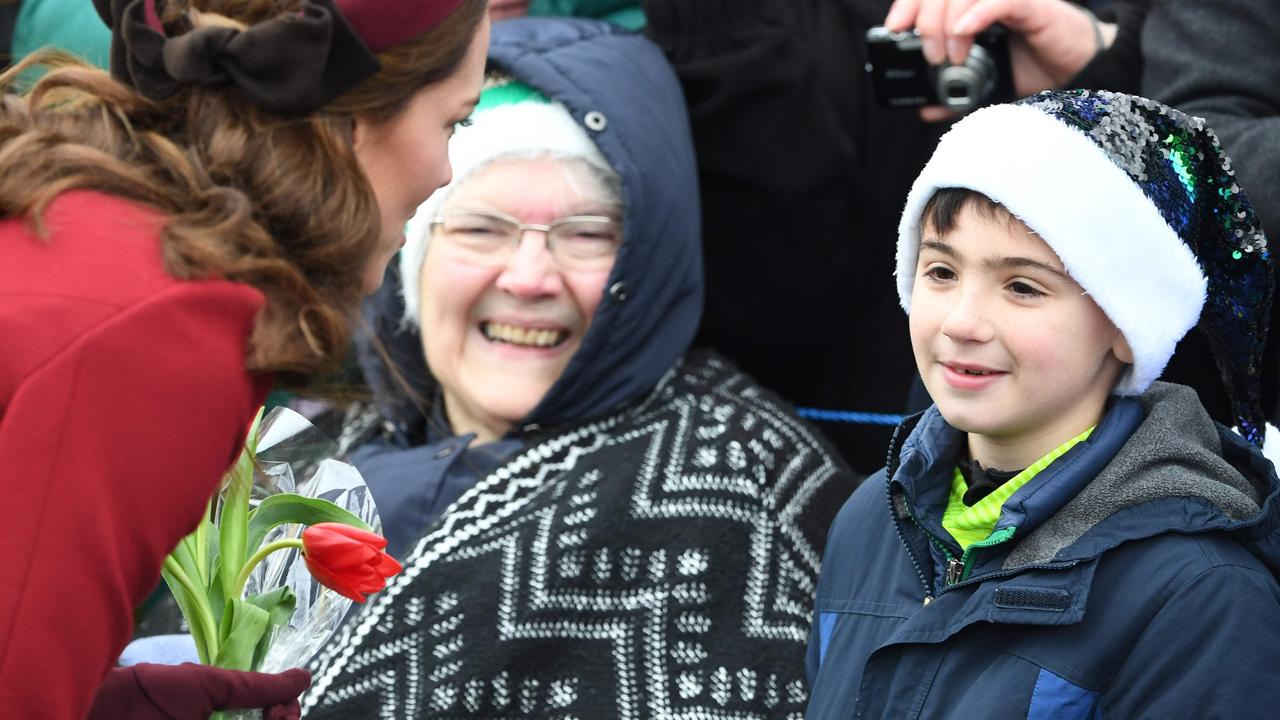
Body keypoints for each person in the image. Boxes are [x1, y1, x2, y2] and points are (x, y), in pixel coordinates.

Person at [300, 17, 856, 718]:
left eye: (587, 234)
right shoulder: (302, 461)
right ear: (412, 258)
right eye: (480, 228)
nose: (529, 277)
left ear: (650, 262)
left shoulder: (733, 494)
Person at [0, 0, 489, 717]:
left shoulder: (109, 230)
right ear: (349, 122)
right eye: (454, 122)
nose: (447, 171)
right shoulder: (168, 329)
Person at [805, 89, 1280, 718]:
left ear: (1124, 322)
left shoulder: (1200, 594)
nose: (963, 321)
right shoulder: (872, 516)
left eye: (1022, 287)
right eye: (941, 272)